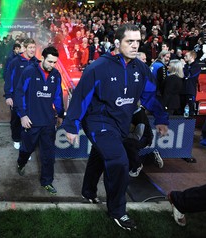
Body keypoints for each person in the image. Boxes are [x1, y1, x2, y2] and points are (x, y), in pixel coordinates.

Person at [63, 24, 169, 231]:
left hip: (120, 122)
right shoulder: (98, 67)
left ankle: (88, 192)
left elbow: (150, 96)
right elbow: (80, 97)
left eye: (138, 41)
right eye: (130, 41)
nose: (135, 46)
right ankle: (118, 211)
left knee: (100, 155)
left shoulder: (140, 68)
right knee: (119, 161)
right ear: (117, 43)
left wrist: (162, 117)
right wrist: (71, 126)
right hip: (98, 121)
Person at [14, 46, 64, 195]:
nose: (52, 65)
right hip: (31, 121)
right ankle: (21, 162)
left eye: (55, 62)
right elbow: (19, 93)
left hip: (48, 121)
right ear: (42, 58)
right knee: (26, 149)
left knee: (48, 154)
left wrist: (60, 114)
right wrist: (22, 115)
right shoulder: (29, 72)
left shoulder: (56, 75)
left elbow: (58, 96)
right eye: (50, 61)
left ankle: (47, 181)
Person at [4, 38, 38, 150]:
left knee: (29, 120)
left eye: (34, 47)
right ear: (25, 48)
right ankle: (16, 139)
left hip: (31, 97)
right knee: (16, 119)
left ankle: (26, 143)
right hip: (16, 97)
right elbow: (9, 78)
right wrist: (8, 95)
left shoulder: (36, 63)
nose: (33, 50)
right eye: (30, 47)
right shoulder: (15, 62)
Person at [124, 105, 164, 177]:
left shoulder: (139, 115)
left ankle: (138, 165)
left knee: (128, 144)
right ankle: (152, 156)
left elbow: (137, 136)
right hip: (132, 136)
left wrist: (123, 135)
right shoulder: (127, 112)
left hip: (145, 138)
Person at [181, 50, 201, 118]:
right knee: (180, 110)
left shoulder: (197, 66)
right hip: (182, 90)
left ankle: (190, 127)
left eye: (186, 56)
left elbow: (189, 75)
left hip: (190, 91)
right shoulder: (186, 65)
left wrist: (183, 66)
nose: (184, 57)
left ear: (192, 57)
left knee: (190, 110)